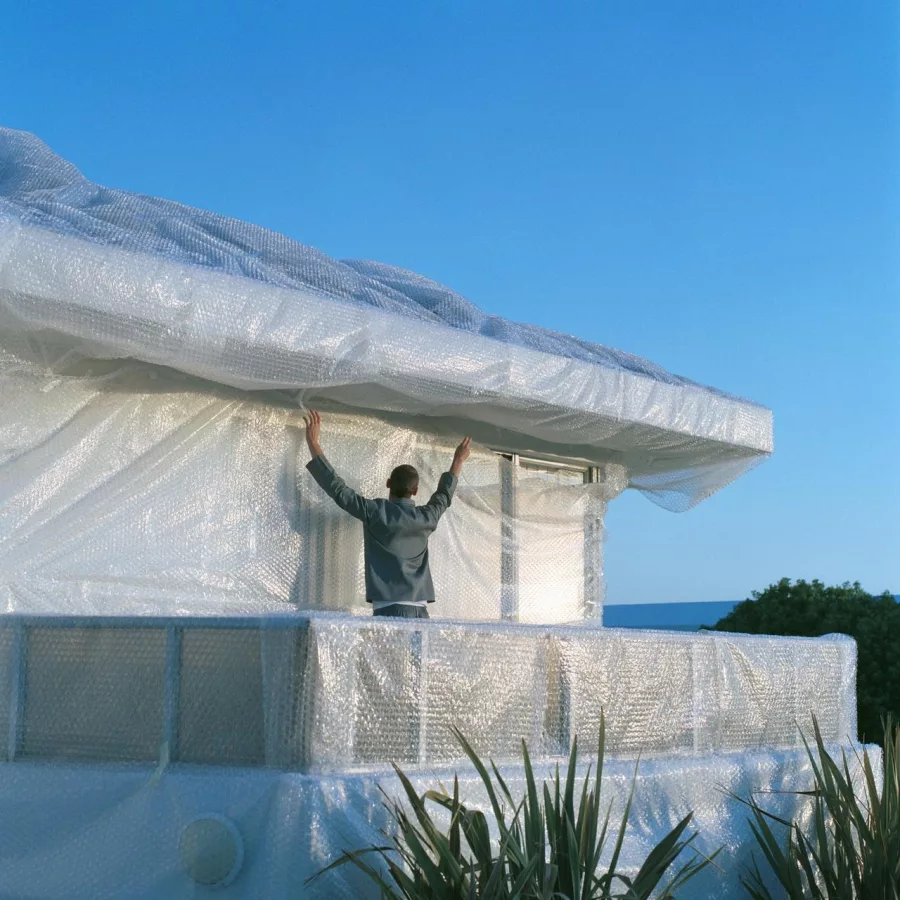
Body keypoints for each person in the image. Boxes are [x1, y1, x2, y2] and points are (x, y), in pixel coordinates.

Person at [302, 410, 471, 618]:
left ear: (388, 484)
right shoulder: (426, 517)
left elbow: (339, 490)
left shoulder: (375, 512)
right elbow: (444, 495)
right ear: (415, 491)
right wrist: (458, 461)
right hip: (420, 611)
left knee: (389, 652)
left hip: (387, 609)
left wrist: (313, 443)